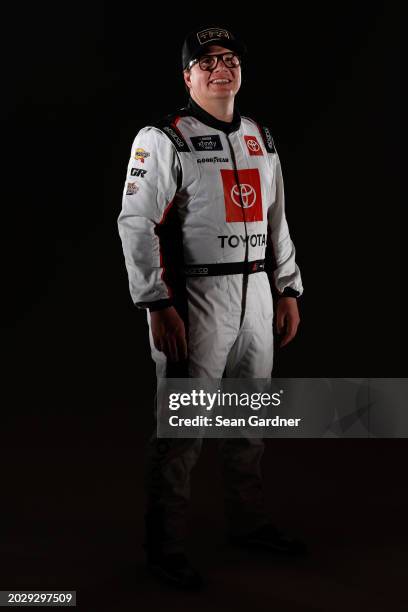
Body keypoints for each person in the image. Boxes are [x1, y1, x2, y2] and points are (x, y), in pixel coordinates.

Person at [117, 25, 305, 589]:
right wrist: (156, 301)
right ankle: (165, 545)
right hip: (197, 298)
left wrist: (289, 288)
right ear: (187, 75)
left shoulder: (259, 135)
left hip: (256, 294)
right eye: (207, 61)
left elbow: (278, 220)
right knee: (184, 426)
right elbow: (135, 223)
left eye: (230, 59)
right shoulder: (164, 137)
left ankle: (247, 523)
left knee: (249, 422)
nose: (220, 68)